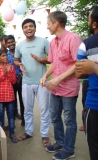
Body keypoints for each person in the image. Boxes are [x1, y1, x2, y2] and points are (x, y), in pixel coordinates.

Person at [40, 11, 82, 160]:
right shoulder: (52, 42)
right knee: (55, 117)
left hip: (69, 87)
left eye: (48, 24)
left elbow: (78, 64)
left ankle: (69, 149)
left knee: (69, 120)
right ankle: (60, 142)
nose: (47, 27)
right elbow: (54, 63)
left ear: (56, 23)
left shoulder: (73, 38)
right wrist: (45, 75)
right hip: (55, 87)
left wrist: (58, 79)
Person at [14, 19, 51, 147]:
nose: (28, 29)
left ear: (35, 28)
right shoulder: (20, 45)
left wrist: (41, 59)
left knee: (44, 109)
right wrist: (20, 64)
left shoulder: (44, 42)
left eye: (31, 26)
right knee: (27, 109)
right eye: (25, 27)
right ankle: (28, 132)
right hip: (26, 82)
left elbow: (52, 58)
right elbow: (16, 60)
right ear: (22, 30)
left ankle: (44, 134)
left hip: (42, 81)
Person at [75, 6, 98, 160]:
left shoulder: (87, 44)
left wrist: (93, 68)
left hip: (95, 103)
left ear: (94, 23)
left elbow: (79, 72)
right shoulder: (86, 43)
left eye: (89, 18)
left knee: (94, 145)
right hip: (93, 103)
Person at [0, 50, 18, 143]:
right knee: (1, 115)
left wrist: (9, 73)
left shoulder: (11, 67)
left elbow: (13, 81)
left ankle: (12, 133)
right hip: (0, 95)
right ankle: (1, 133)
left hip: (9, 94)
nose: (6, 57)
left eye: (6, 56)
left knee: (11, 115)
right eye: (3, 56)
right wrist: (4, 73)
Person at [6, 35, 24, 126]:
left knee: (22, 100)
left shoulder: (20, 52)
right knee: (12, 100)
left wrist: (20, 75)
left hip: (21, 79)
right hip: (10, 81)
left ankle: (24, 119)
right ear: (6, 44)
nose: (11, 44)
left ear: (14, 41)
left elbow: (24, 63)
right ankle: (13, 117)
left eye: (12, 41)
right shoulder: (5, 55)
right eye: (8, 43)